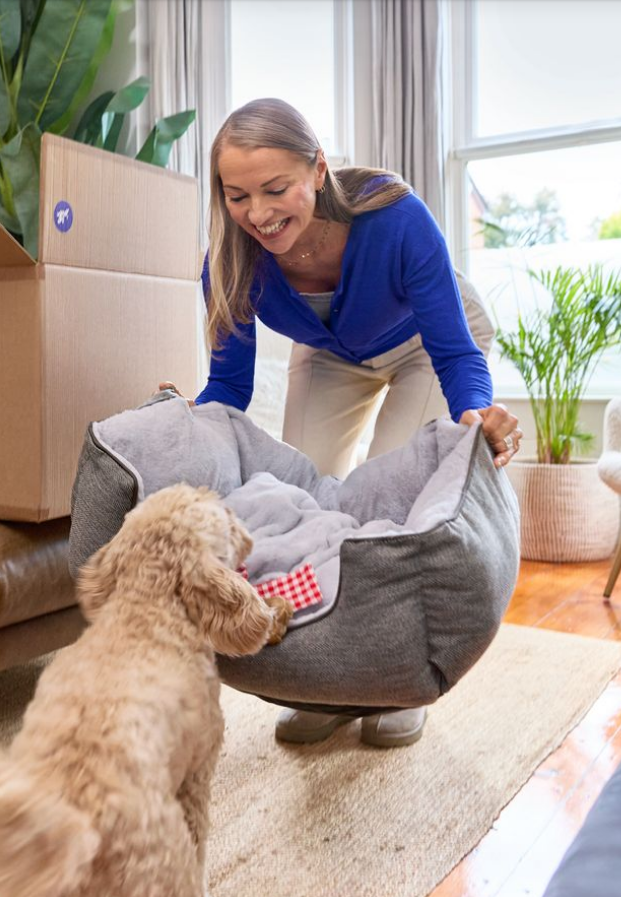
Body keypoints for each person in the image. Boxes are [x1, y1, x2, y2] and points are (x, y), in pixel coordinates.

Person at [164, 98, 523, 749]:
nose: (260, 213)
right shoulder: (230, 259)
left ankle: (397, 685)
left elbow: (454, 351)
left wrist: (474, 415)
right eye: (238, 195)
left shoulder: (395, 218)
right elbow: (229, 389)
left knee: (393, 505)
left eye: (276, 189)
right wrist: (183, 423)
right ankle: (330, 685)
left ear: (318, 169)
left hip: (428, 340)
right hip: (334, 351)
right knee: (300, 501)